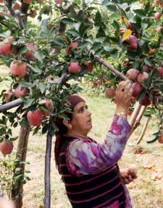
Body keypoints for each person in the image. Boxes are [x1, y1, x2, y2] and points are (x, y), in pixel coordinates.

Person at [54, 80, 137, 208]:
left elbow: (95, 167)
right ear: (66, 122)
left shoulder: (81, 143)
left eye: (86, 108)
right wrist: (121, 108)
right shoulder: (74, 150)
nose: (88, 112)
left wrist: (115, 176)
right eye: (81, 110)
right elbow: (108, 153)